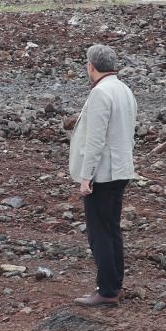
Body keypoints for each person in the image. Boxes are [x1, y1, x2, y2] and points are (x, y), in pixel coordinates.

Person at [67, 43, 137, 306]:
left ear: (91, 66)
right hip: (121, 169)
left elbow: (95, 140)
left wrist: (86, 177)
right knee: (112, 229)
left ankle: (107, 291)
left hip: (104, 174)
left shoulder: (100, 93)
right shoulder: (124, 89)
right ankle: (114, 284)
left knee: (100, 233)